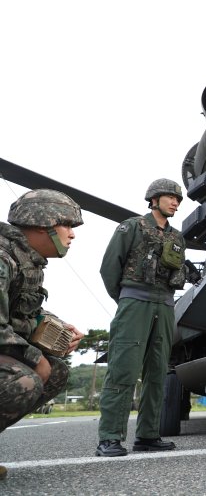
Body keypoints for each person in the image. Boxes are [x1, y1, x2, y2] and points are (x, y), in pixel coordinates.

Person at [96, 179, 188, 457]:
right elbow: (109, 268)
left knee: (158, 372)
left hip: (165, 306)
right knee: (124, 368)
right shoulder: (131, 227)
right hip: (135, 303)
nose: (175, 202)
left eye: (178, 199)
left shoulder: (177, 237)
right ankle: (110, 437)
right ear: (154, 199)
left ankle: (148, 435)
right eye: (170, 197)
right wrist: (127, 299)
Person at [0, 189, 86, 480]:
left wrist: (55, 328)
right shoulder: (2, 259)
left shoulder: (26, 260)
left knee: (57, 371)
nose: (72, 235)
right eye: (67, 226)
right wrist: (36, 358)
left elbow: (21, 314)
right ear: (42, 225)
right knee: (23, 380)